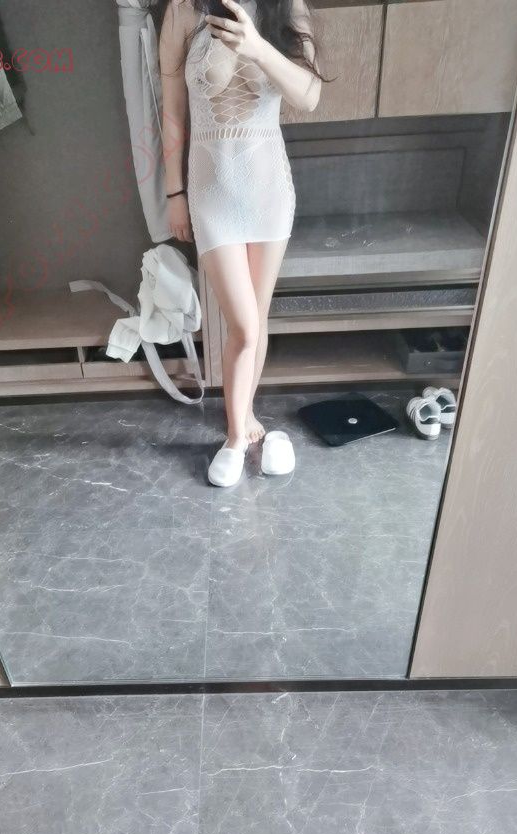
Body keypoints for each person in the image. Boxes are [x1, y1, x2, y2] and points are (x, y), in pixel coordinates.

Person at [159, 0, 321, 486]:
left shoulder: (286, 6)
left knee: (257, 318)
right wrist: (174, 194)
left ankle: (244, 416)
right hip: (211, 195)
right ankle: (235, 437)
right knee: (244, 326)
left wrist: (257, 48)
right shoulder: (183, 10)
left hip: (269, 191)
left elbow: (309, 96)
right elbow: (173, 113)